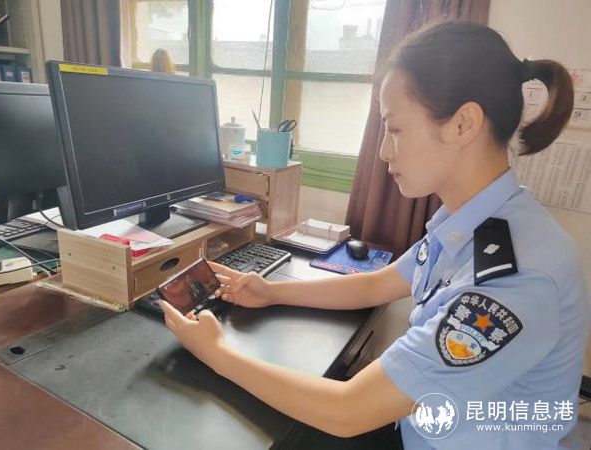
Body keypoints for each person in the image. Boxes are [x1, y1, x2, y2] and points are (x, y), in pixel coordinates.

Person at [159, 21, 590, 449]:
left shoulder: (517, 276)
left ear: (463, 124)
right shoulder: (477, 220)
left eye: (395, 129)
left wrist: (216, 353)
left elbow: (348, 411)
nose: (383, 151)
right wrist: (270, 292)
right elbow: (381, 283)